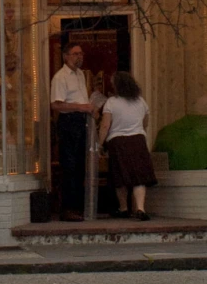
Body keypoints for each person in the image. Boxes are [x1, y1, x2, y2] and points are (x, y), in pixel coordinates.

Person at [97, 72, 156, 221]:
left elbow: (105, 125)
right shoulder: (141, 101)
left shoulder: (111, 102)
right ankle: (140, 208)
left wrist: (99, 144)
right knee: (139, 177)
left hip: (118, 142)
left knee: (119, 177)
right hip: (138, 141)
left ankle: (123, 208)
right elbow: (145, 122)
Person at [49, 42, 97, 221]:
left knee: (79, 165)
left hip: (81, 120)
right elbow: (56, 104)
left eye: (81, 53)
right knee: (69, 165)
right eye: (75, 54)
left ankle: (78, 206)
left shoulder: (80, 76)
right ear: (66, 56)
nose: (79, 57)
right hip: (69, 120)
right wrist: (80, 107)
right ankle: (67, 208)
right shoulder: (61, 77)